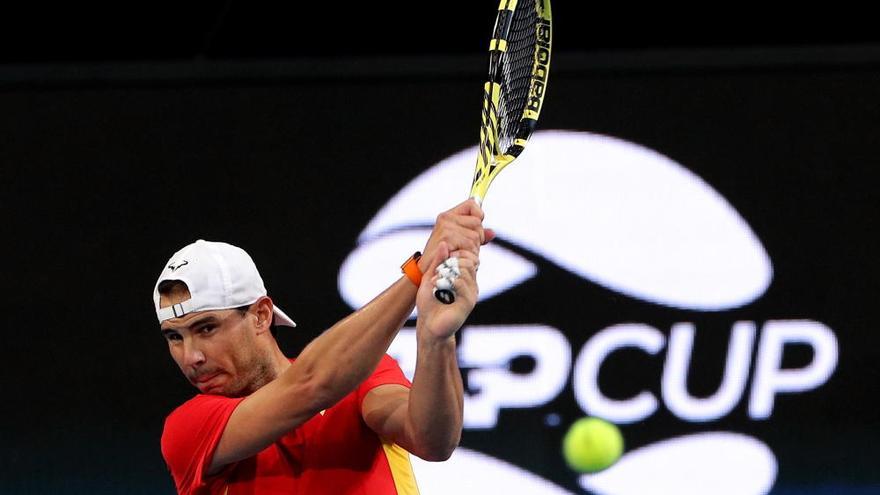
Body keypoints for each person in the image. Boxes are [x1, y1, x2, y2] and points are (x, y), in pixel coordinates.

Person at [154, 200, 493, 494]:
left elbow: (432, 441)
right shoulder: (188, 429)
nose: (191, 357)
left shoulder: (365, 372)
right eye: (175, 337)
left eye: (207, 328)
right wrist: (418, 272)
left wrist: (436, 340)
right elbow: (312, 385)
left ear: (260, 315)